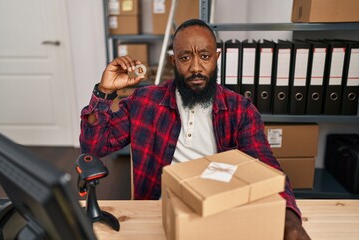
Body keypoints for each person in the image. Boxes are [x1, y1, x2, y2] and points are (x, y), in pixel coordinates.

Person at [80, 19, 310, 239]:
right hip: (158, 212)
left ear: (217, 58)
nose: (196, 67)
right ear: (174, 61)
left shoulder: (240, 110)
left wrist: (291, 223)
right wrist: (103, 92)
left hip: (220, 211)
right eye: (185, 57)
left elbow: (266, 167)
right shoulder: (144, 101)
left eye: (205, 56)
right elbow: (94, 147)